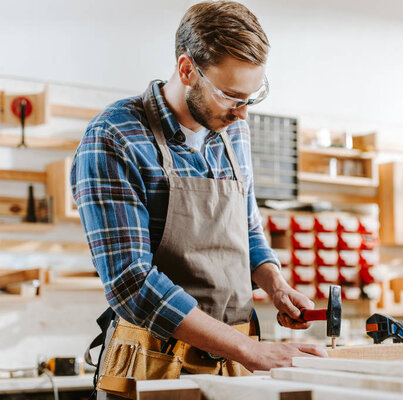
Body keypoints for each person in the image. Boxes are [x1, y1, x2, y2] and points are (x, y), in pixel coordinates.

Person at [71, 2, 326, 398]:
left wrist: (274, 284)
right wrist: (250, 349)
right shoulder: (114, 137)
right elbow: (131, 284)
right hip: (153, 368)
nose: (242, 115)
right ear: (187, 70)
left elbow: (246, 226)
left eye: (252, 98)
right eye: (230, 96)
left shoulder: (232, 132)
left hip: (237, 368)